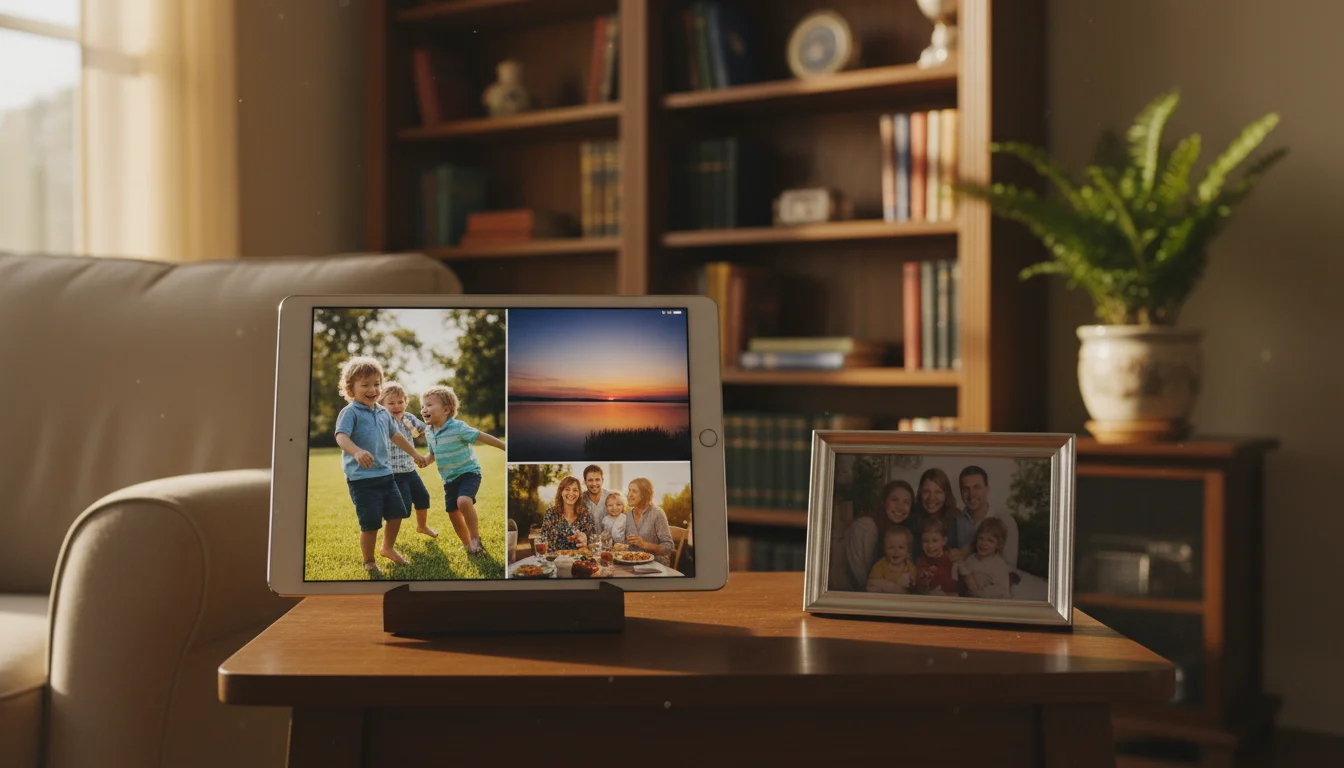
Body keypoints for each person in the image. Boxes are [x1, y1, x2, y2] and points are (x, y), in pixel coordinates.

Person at [333, 357, 432, 575]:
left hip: (386, 475)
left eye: (377, 384)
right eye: (365, 385)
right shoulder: (350, 412)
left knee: (398, 512)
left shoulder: (382, 412)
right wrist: (357, 451)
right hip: (362, 479)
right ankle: (369, 560)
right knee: (370, 523)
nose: (373, 389)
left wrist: (415, 453)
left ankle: (387, 547)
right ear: (351, 389)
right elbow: (341, 436)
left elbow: (396, 436)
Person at [420, 385, 506, 554]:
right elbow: (432, 453)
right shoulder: (429, 432)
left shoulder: (458, 427)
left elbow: (481, 436)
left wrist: (505, 446)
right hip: (449, 479)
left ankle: (475, 538)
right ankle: (467, 544)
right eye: (423, 406)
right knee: (453, 513)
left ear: (446, 409)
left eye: (429, 405)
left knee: (463, 502)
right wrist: (424, 461)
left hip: (468, 472)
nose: (424, 409)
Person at [378, 382, 437, 538]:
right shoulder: (382, 420)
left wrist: (442, 427)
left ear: (405, 402)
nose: (397, 406)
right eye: (391, 403)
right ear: (382, 404)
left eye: (400, 402)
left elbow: (426, 429)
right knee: (402, 508)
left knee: (423, 497)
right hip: (393, 473)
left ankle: (422, 526)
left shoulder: (409, 418)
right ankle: (389, 537)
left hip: (410, 470)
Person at [842, 480, 916, 591]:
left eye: (906, 502)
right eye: (894, 500)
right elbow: (863, 580)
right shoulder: (865, 527)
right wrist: (895, 589)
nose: (900, 507)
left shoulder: (900, 532)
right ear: (883, 502)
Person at [952, 466, 1020, 570]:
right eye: (966, 489)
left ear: (987, 489)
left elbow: (1010, 568)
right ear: (961, 492)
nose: (971, 494)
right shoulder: (956, 521)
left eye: (977, 487)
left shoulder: (1006, 521)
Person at [956, 517, 1014, 599]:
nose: (984, 543)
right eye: (981, 538)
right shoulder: (971, 558)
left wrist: (981, 592)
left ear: (998, 545)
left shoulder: (998, 564)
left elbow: (1002, 589)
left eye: (990, 540)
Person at [625, 477, 675, 567]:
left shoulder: (657, 513)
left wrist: (644, 544)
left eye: (634, 491)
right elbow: (629, 544)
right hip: (633, 563)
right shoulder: (629, 514)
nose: (629, 495)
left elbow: (669, 547)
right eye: (629, 490)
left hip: (655, 565)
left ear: (644, 495)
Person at [914, 468, 963, 556]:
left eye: (938, 492)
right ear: (920, 493)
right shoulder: (914, 519)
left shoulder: (956, 520)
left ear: (946, 494)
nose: (931, 498)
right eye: (926, 492)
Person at [541, 476, 598, 549]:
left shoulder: (587, 515)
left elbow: (594, 545)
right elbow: (542, 540)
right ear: (561, 492)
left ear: (579, 493)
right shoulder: (550, 513)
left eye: (575, 490)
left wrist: (585, 543)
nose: (571, 493)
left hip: (579, 559)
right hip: (554, 559)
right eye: (567, 489)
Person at [914, 517, 958, 596]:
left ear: (944, 540)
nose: (930, 546)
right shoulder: (920, 562)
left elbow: (958, 592)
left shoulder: (951, 560)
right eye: (926, 541)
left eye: (935, 541)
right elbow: (917, 589)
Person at [867, 526, 916, 594]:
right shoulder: (880, 566)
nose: (896, 551)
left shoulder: (910, 568)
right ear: (885, 549)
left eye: (901, 547)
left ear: (908, 551)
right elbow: (871, 586)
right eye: (891, 547)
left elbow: (914, 590)